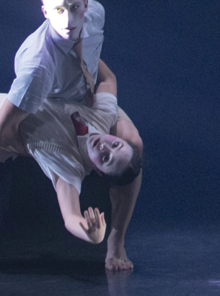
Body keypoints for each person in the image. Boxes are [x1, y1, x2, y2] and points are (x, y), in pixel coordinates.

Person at [0, 0, 143, 269]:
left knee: (133, 151)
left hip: (78, 97)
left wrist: (94, 235)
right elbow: (5, 126)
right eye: (58, 10)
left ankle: (116, 241)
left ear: (85, 7)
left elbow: (71, 217)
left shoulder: (95, 16)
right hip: (36, 103)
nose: (68, 20)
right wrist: (21, 145)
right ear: (45, 12)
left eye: (74, 8)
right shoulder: (37, 71)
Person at [0, 59, 142, 246]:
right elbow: (108, 79)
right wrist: (75, 50)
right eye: (115, 145)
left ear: (99, 171)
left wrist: (91, 234)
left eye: (106, 158)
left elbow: (71, 217)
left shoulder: (68, 164)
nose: (104, 147)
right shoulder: (104, 117)